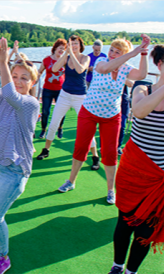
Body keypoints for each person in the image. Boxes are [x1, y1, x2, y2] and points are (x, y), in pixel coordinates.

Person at [109, 47, 164, 274]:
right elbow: (138, 111)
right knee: (125, 222)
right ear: (159, 65)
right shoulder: (142, 88)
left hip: (161, 176)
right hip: (133, 170)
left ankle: (131, 271)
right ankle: (117, 266)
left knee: (145, 231)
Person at [58, 36, 150, 204]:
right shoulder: (101, 60)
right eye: (112, 50)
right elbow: (105, 69)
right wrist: (131, 54)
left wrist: (143, 53)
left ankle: (110, 190)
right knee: (80, 147)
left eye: (118, 52)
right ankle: (71, 181)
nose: (113, 54)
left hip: (111, 116)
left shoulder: (126, 69)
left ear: (125, 54)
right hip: (89, 112)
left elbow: (142, 74)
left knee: (109, 153)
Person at [0, 37, 39, 274]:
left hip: (14, 170)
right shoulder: (2, 95)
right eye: (15, 76)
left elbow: (13, 95)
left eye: (24, 78)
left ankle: (2, 257)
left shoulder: (31, 103)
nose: (19, 81)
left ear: (32, 83)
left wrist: (4, 63)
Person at [36, 35, 100, 170]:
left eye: (76, 43)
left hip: (80, 96)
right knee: (54, 122)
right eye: (71, 43)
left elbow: (80, 69)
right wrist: (66, 54)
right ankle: (46, 149)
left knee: (87, 127)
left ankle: (94, 156)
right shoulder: (67, 56)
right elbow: (54, 69)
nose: (74, 46)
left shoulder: (85, 58)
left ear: (80, 45)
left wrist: (72, 54)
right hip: (65, 94)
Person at [37, 38, 67, 139]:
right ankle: (43, 130)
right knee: (45, 111)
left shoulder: (65, 60)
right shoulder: (47, 59)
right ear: (55, 48)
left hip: (61, 90)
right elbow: (39, 71)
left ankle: (60, 127)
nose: (62, 51)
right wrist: (33, 80)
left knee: (61, 111)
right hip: (47, 89)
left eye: (64, 49)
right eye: (60, 48)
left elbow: (70, 74)